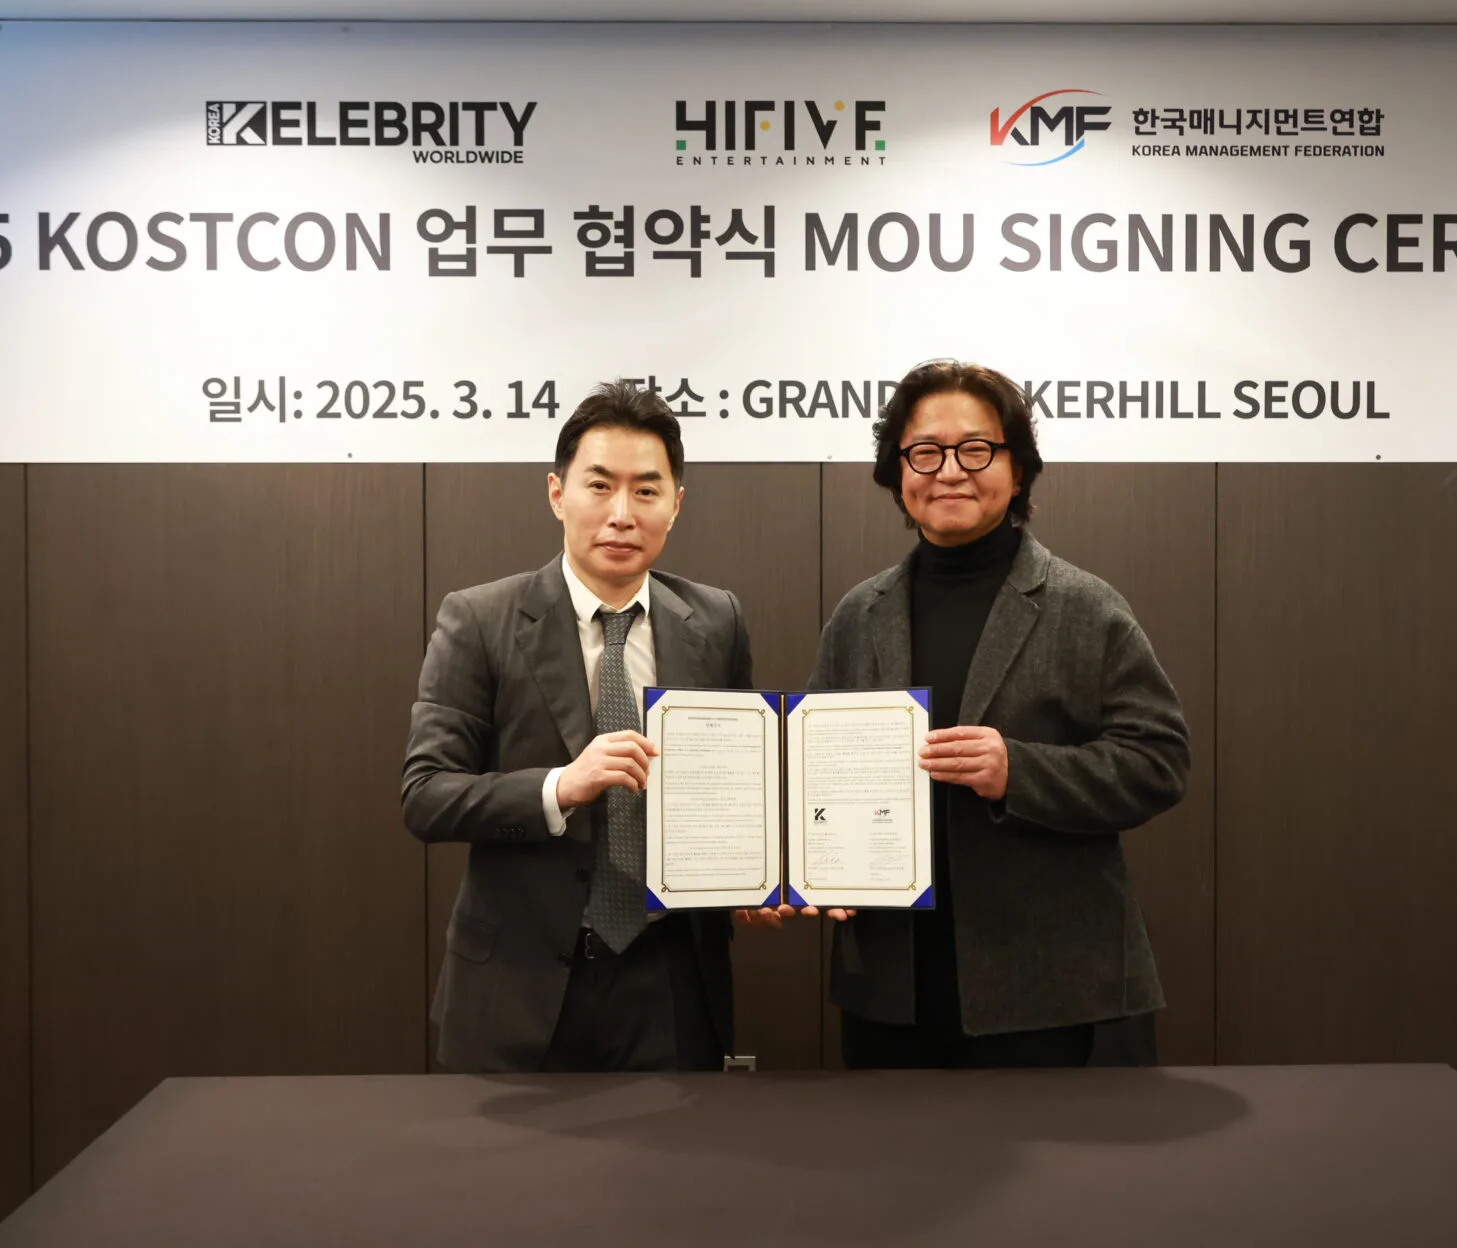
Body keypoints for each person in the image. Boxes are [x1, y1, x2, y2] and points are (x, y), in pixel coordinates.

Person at [803, 359, 1191, 1069]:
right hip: (890, 988)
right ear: (898, 472)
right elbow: (810, 774)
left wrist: (1019, 771)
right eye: (925, 452)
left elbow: (1159, 762)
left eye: (976, 449)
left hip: (1047, 989)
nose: (950, 471)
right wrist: (801, 867)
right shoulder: (859, 615)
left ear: (1017, 472)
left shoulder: (1084, 606)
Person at [402, 381, 753, 1072]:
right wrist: (560, 787)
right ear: (558, 494)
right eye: (600, 485)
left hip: (671, 983)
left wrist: (761, 875)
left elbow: (737, 783)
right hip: (520, 986)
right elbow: (426, 793)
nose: (622, 514)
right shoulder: (480, 619)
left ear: (676, 505)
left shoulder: (716, 621)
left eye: (646, 490)